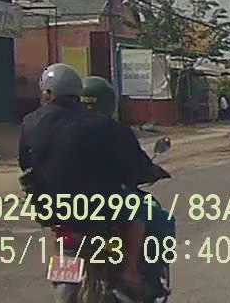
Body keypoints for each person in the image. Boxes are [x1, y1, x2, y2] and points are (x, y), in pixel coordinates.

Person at [17, 64, 153, 298]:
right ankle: (130, 272)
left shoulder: (29, 122)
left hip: (54, 213)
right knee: (137, 216)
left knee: (62, 243)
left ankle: (64, 275)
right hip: (98, 210)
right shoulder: (103, 125)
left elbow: (24, 163)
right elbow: (134, 165)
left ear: (48, 92)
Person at [79, 76, 170, 297]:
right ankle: (131, 272)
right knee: (159, 220)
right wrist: (152, 172)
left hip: (63, 203)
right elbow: (138, 166)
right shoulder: (115, 131)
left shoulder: (61, 127)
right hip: (106, 201)